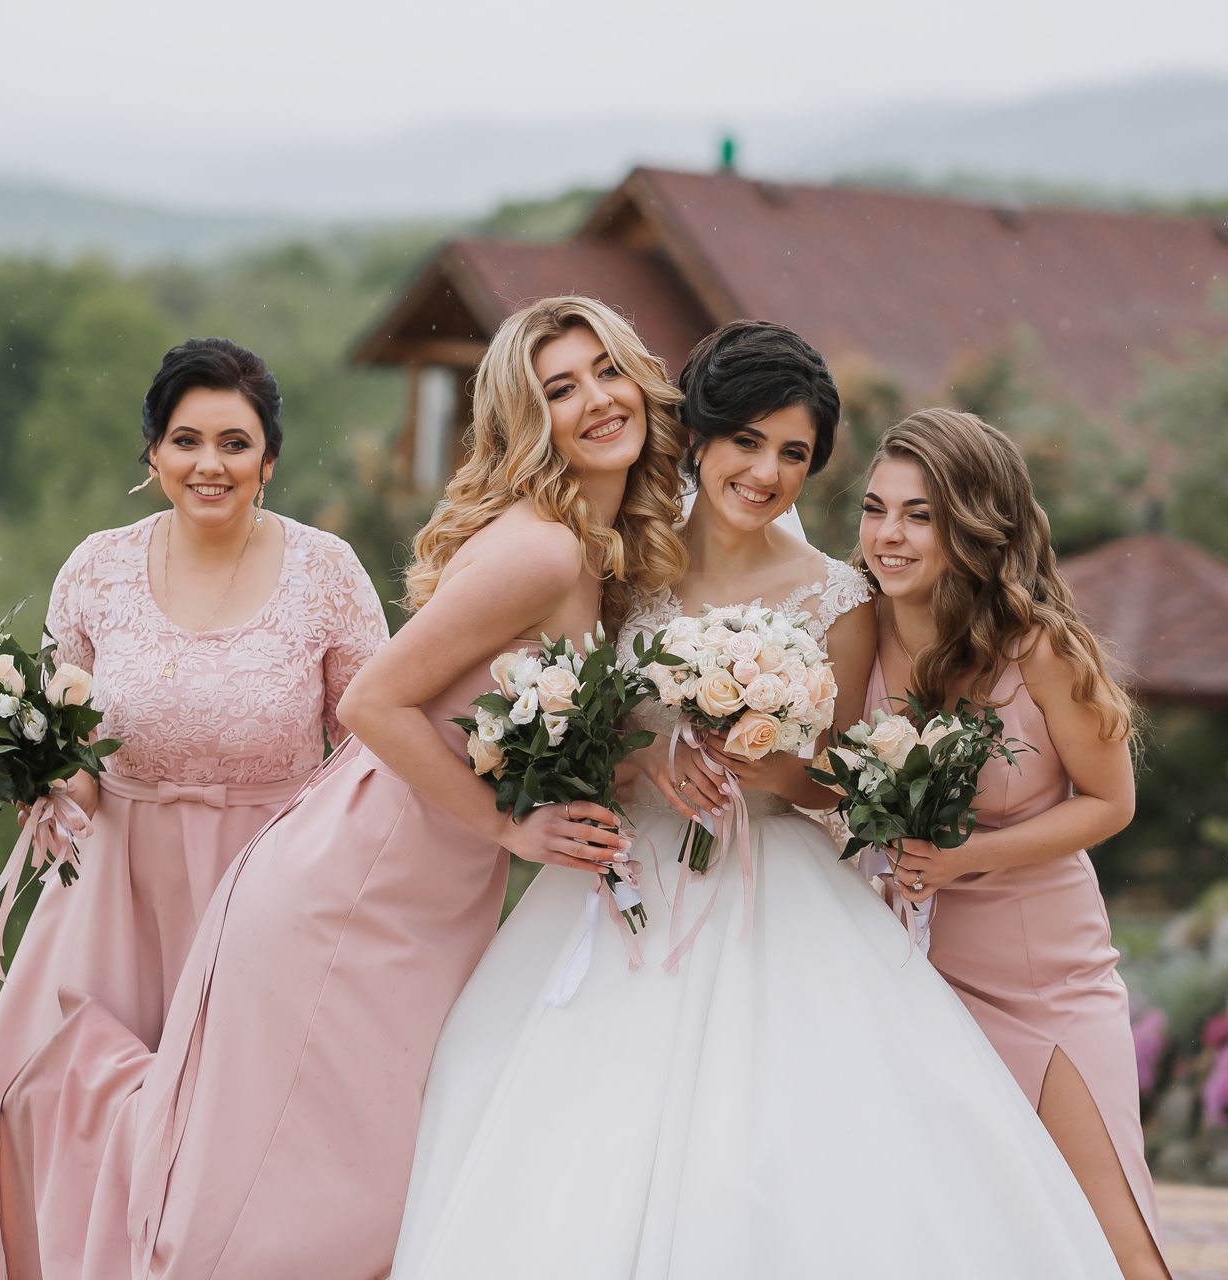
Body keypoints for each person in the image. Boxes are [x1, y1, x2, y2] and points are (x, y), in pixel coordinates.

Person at [392, 322, 1119, 1279]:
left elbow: (837, 781)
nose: (767, 473)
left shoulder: (840, 598)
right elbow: (568, 712)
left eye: (794, 455)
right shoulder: (614, 564)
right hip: (626, 878)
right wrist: (646, 750)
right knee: (569, 1125)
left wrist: (775, 768)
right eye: (747, 442)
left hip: (780, 884)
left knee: (788, 1150)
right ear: (699, 435)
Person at [0, 296, 688, 1279]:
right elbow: (371, 702)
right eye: (559, 388)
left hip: (423, 893)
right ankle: (76, 1106)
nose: (596, 401)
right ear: (529, 419)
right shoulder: (544, 547)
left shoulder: (582, 546)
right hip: (358, 885)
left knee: (359, 1184)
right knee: (314, 1202)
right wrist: (512, 828)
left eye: (607, 371)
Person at [0, 337, 387, 1280]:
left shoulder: (328, 571)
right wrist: (37, 772)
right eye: (186, 440)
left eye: (235, 443)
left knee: (246, 1126)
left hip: (271, 888)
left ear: (270, 458)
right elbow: (75, 749)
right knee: (71, 1098)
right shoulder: (96, 568)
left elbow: (374, 747)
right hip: (117, 882)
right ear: (154, 454)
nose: (210, 464)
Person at [859, 408, 1169, 1279]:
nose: (889, 535)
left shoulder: (1039, 647)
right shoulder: (854, 632)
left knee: (1116, 1238)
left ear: (974, 523)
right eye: (876, 508)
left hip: (1045, 976)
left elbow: (1110, 802)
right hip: (912, 975)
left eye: (920, 515)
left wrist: (963, 858)